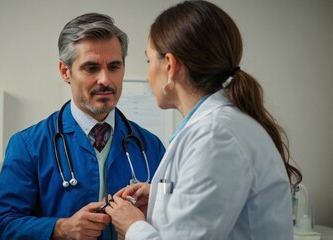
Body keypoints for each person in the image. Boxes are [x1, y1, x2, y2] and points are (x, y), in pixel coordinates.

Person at [104, 1, 303, 239]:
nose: (148, 74)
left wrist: (133, 226)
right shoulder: (215, 127)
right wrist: (159, 197)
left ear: (169, 65)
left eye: (149, 61)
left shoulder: (216, 135)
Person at [0, 13, 165, 240]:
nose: (105, 80)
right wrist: (60, 229)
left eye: (114, 66)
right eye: (91, 68)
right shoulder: (29, 146)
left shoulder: (150, 146)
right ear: (65, 72)